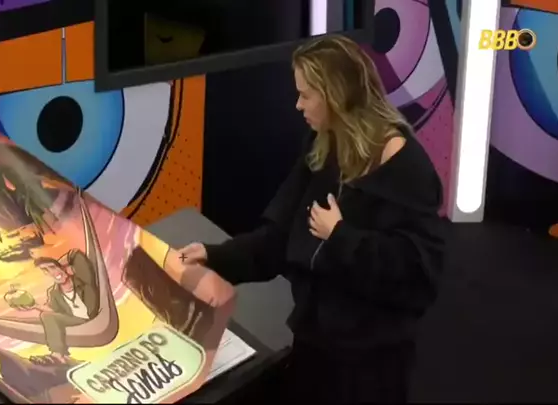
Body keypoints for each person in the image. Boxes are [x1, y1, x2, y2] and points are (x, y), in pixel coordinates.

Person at [179, 34, 445, 403]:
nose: (298, 105)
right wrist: (214, 256)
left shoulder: (405, 165)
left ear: (334, 95)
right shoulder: (323, 144)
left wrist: (341, 238)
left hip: (369, 362)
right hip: (315, 342)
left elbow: (419, 275)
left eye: (306, 95)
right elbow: (277, 239)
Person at [27, 250, 100, 366]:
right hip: (75, 320)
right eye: (46, 271)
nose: (51, 272)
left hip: (93, 317)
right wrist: (35, 306)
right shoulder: (53, 292)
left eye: (52, 267)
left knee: (47, 316)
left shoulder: (82, 278)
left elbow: (76, 254)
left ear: (61, 267)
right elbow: (55, 312)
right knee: (46, 316)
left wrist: (63, 264)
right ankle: (58, 355)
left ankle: (59, 356)